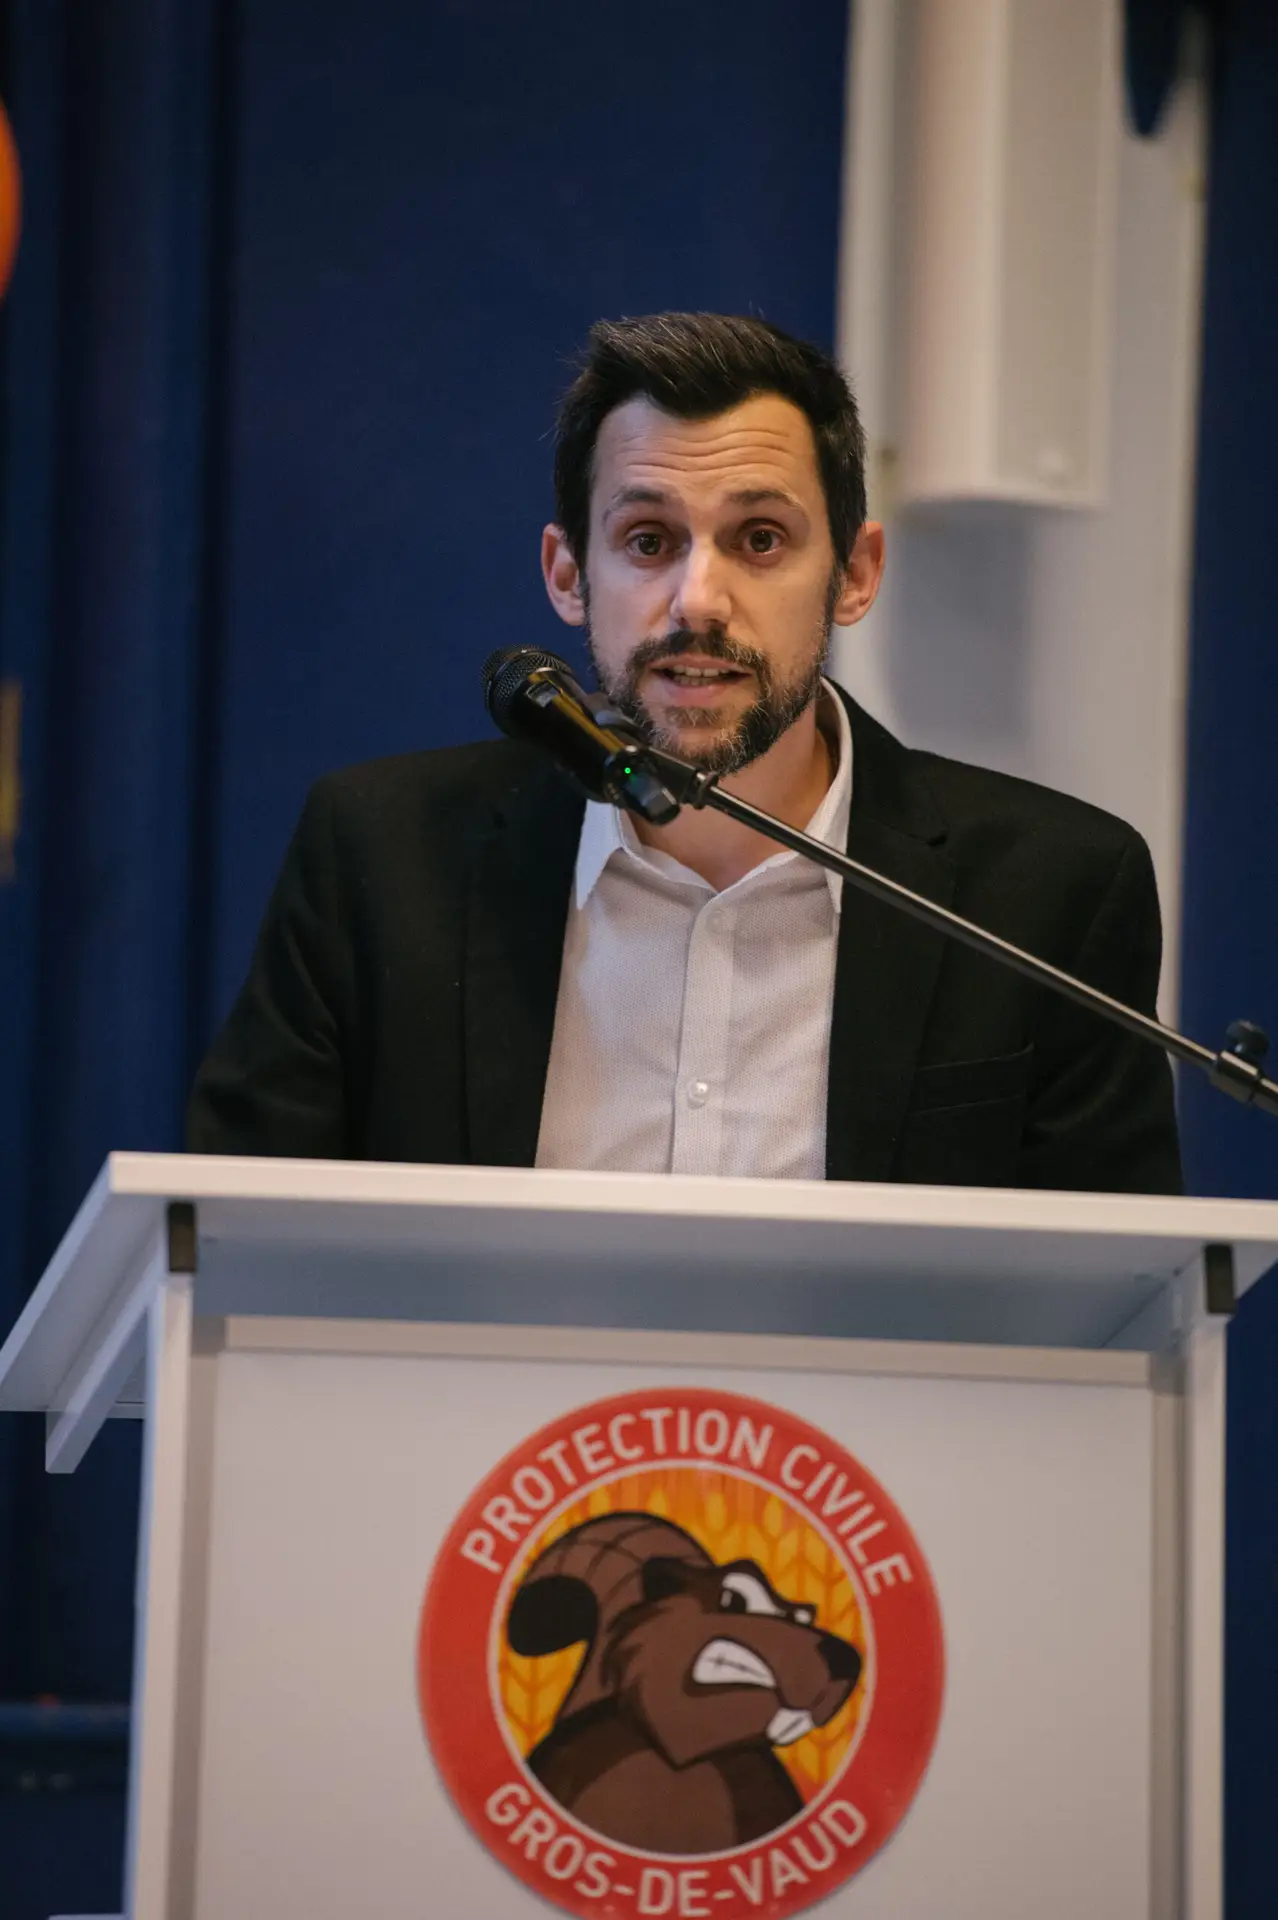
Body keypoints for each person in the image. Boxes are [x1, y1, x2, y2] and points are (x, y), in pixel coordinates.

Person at [187, 312, 1182, 1193]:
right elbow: (222, 1252)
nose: (698, 602)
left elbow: (1115, 1305)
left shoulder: (1045, 899)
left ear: (854, 573)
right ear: (568, 575)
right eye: (649, 541)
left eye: (760, 540)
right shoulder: (384, 861)